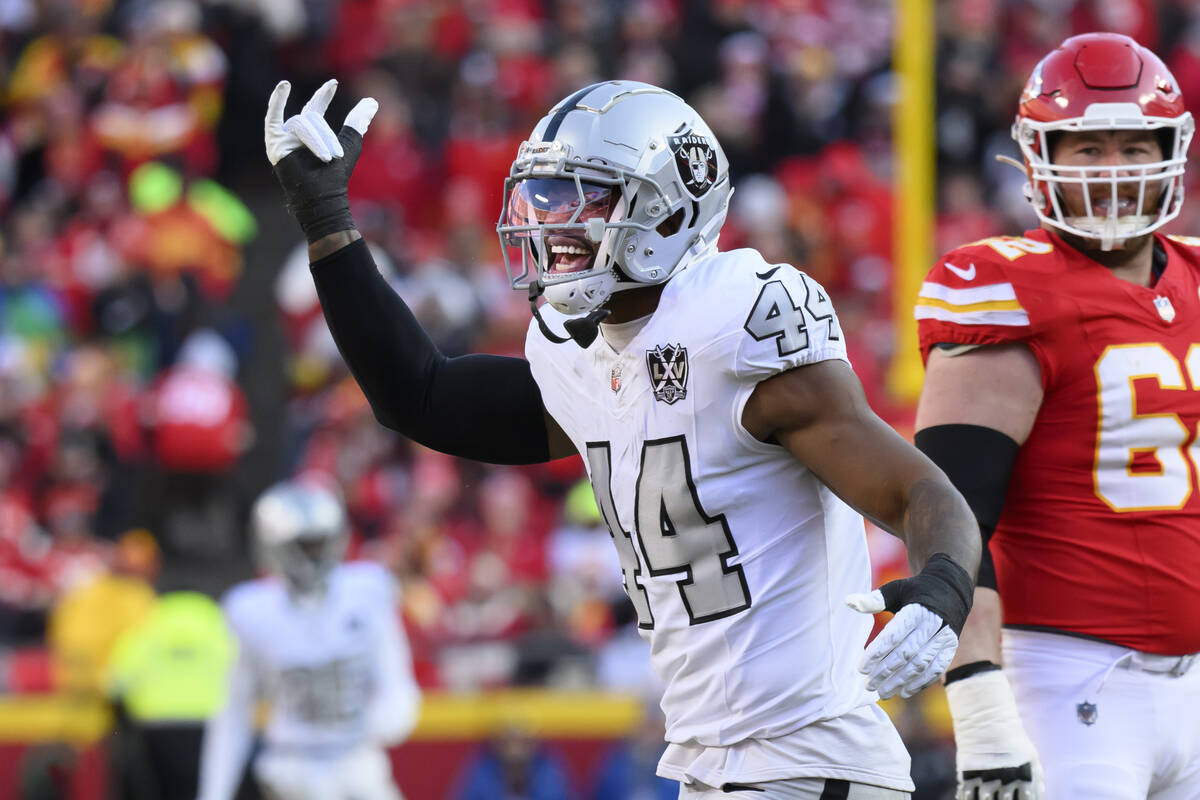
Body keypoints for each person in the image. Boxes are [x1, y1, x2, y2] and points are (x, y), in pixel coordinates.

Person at [265, 77, 981, 799]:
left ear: (668, 209)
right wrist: (325, 217)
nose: (554, 224)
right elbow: (417, 394)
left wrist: (944, 587)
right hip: (717, 764)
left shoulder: (734, 324)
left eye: (585, 198)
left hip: (807, 758)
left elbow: (917, 488)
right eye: (544, 198)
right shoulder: (577, 352)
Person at [914, 32, 1200, 800]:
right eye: (1088, 148)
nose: (1113, 171)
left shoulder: (1197, 277)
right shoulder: (1003, 287)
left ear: (1172, 149)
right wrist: (980, 710)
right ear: (1042, 159)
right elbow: (944, 516)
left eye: (1133, 145)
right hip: (1070, 682)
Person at [195, 478, 421, 800]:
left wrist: (388, 718)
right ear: (275, 545)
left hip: (358, 764)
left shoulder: (369, 590)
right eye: (306, 545)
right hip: (292, 769)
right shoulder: (251, 611)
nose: (317, 556)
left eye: (322, 542)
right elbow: (232, 714)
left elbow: (398, 686)